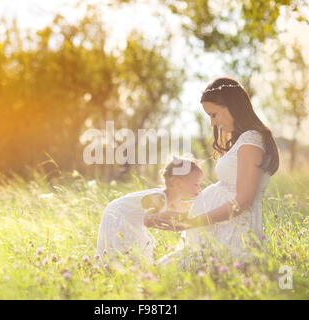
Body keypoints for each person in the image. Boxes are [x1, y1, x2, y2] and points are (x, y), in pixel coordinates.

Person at [148, 76, 280, 266]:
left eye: (214, 114)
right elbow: (229, 191)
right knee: (160, 272)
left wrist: (193, 222)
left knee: (162, 274)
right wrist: (183, 212)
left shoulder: (251, 140)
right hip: (220, 231)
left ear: (232, 107)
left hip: (233, 237)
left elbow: (242, 202)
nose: (212, 123)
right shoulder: (244, 140)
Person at [96, 156, 203, 263]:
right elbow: (148, 220)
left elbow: (185, 207)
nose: (199, 188)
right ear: (178, 183)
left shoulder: (172, 199)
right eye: (196, 184)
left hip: (129, 219)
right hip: (118, 215)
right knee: (125, 251)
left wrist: (203, 201)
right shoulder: (159, 198)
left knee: (138, 252)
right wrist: (174, 217)